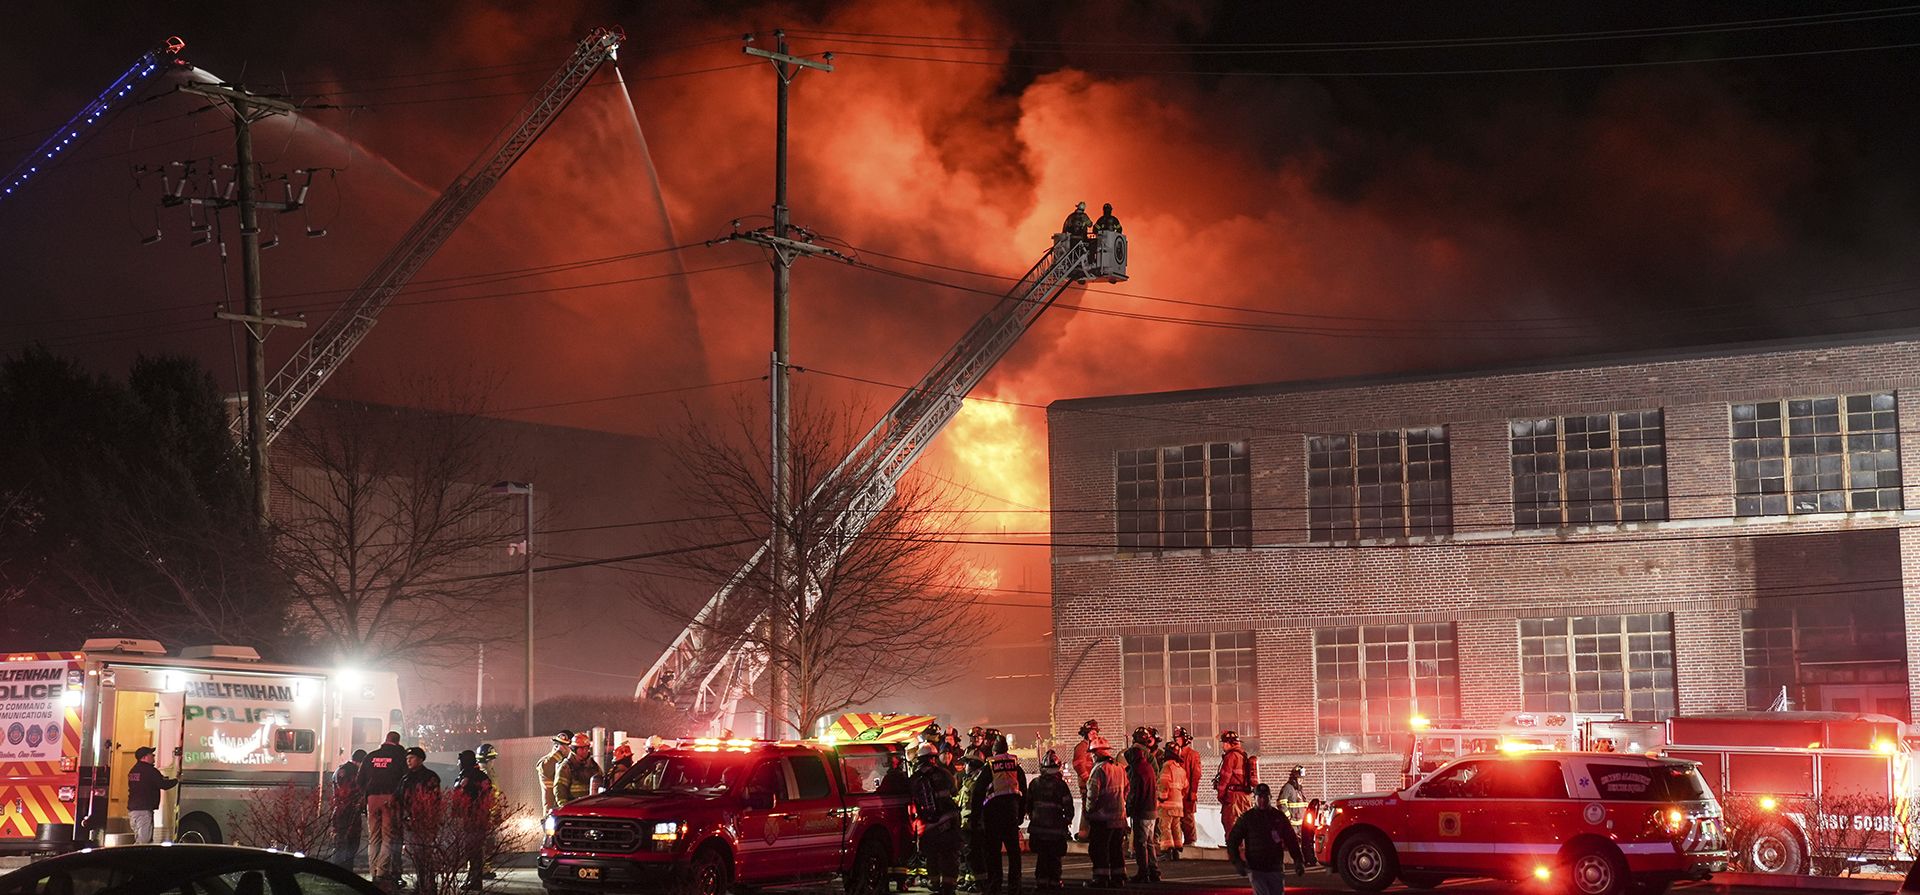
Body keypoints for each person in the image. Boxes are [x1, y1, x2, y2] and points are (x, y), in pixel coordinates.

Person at [1226, 784, 1307, 895]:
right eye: (1260, 797)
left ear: (1270, 798)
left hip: (1275, 867)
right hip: (1256, 868)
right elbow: (1233, 840)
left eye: (1265, 797)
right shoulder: (1247, 818)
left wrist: (1298, 861)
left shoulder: (1278, 817)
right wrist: (1237, 861)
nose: (1263, 800)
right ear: (1255, 798)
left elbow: (1291, 840)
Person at [911, 743, 963, 895]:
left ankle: (934, 882)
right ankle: (949, 885)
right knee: (950, 854)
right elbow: (954, 791)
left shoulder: (915, 777)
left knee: (931, 855)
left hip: (929, 824)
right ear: (934, 758)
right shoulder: (945, 773)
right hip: (949, 820)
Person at [978, 736, 1026, 895]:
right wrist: (1021, 813)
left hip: (993, 814)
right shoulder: (1015, 766)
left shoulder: (990, 766)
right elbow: (1023, 791)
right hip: (1011, 813)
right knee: (1014, 852)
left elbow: (978, 791)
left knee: (993, 852)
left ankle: (995, 885)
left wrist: (976, 817)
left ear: (994, 751)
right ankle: (1015, 886)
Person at [1023, 750, 1074, 892]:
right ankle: (1054, 882)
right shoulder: (1061, 785)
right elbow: (1068, 806)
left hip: (1038, 830)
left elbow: (1028, 805)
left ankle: (1041, 883)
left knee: (1042, 857)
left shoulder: (1034, 784)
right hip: (1056, 830)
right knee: (1054, 858)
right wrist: (1067, 820)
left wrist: (1032, 816)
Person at [362, 731, 409, 885]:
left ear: (385, 740)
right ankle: (382, 872)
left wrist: (368, 795)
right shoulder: (400, 757)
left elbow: (360, 779)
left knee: (374, 838)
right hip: (390, 799)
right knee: (388, 838)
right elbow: (406, 778)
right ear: (397, 741)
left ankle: (373, 871)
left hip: (372, 799)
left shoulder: (370, 756)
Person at [396, 747, 443, 895]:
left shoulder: (429, 777)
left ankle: (429, 885)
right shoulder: (406, 778)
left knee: (425, 855)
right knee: (417, 857)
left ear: (420, 759)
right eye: (407, 758)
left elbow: (434, 800)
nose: (408, 761)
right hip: (410, 822)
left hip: (425, 821)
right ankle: (422, 884)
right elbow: (399, 798)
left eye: (412, 758)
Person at [1082, 740, 1128, 889]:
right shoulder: (1119, 768)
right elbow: (1127, 789)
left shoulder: (1098, 770)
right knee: (1116, 849)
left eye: (1092, 754)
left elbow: (1092, 794)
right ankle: (1118, 877)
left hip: (1102, 819)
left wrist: (1089, 811)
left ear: (1097, 753)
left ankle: (1100, 878)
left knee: (1099, 849)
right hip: (1119, 818)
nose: (1091, 757)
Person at [451, 749, 495, 892]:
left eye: (460, 761)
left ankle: (474, 880)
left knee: (473, 850)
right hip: (475, 817)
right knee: (473, 850)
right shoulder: (477, 776)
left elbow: (463, 796)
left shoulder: (470, 777)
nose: (458, 764)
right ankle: (474, 879)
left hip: (473, 818)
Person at [1122, 727, 1160, 883]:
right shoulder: (1149, 766)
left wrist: (1129, 809)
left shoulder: (1137, 770)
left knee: (1140, 843)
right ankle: (1154, 871)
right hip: (1152, 809)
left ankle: (1143, 873)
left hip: (1142, 810)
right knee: (1149, 842)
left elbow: (1134, 792)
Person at [125, 746, 177, 844]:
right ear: (144, 757)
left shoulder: (133, 770)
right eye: (151, 755)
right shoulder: (150, 770)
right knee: (144, 841)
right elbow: (163, 785)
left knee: (140, 838)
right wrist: (176, 780)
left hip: (133, 810)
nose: (154, 756)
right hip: (143, 810)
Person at [331, 749, 368, 869]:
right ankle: (345, 871)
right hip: (350, 812)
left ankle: (337, 870)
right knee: (350, 844)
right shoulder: (354, 773)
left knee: (340, 843)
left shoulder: (339, 770)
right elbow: (354, 792)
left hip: (339, 811)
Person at [1214, 730, 1254, 838]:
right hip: (1245, 797)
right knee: (1245, 825)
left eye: (1224, 743)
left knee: (1230, 823)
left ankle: (1234, 847)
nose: (1222, 746)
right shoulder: (1243, 755)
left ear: (1229, 743)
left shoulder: (1231, 756)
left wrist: (1221, 795)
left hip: (1234, 798)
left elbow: (1224, 778)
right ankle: (1244, 846)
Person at [1156, 742, 1186, 861]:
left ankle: (1167, 851)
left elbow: (1164, 783)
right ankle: (1176, 851)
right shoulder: (1181, 769)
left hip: (1167, 804)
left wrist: (1161, 797)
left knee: (1165, 827)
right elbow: (1185, 785)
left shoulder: (1167, 767)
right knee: (1176, 826)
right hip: (1178, 804)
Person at [1173, 728, 1202, 852]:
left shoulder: (1192, 754)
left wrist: (1193, 792)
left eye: (1178, 738)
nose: (1176, 740)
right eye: (1175, 738)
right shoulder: (1174, 754)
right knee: (1176, 819)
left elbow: (1196, 775)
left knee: (1188, 818)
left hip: (1187, 793)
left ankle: (1191, 842)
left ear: (1185, 739)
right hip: (1176, 793)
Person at [554, 734, 601, 807]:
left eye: (586, 748)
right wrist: (564, 808)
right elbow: (560, 791)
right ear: (573, 749)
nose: (585, 751)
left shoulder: (594, 765)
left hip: (591, 807)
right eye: (581, 749)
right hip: (573, 807)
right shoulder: (566, 767)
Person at [1071, 720, 1098, 842]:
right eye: (1092, 732)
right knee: (1087, 809)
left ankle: (1089, 833)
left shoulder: (1094, 747)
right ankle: (1084, 834)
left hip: (1093, 784)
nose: (1095, 735)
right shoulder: (1082, 747)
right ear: (1086, 734)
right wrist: (1088, 780)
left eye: (1096, 732)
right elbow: (1078, 765)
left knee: (1093, 809)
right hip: (1087, 785)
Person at [535, 730, 572, 814]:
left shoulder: (574, 763)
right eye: (558, 745)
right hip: (552, 812)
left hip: (571, 810)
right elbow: (546, 770)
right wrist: (559, 754)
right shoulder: (544, 762)